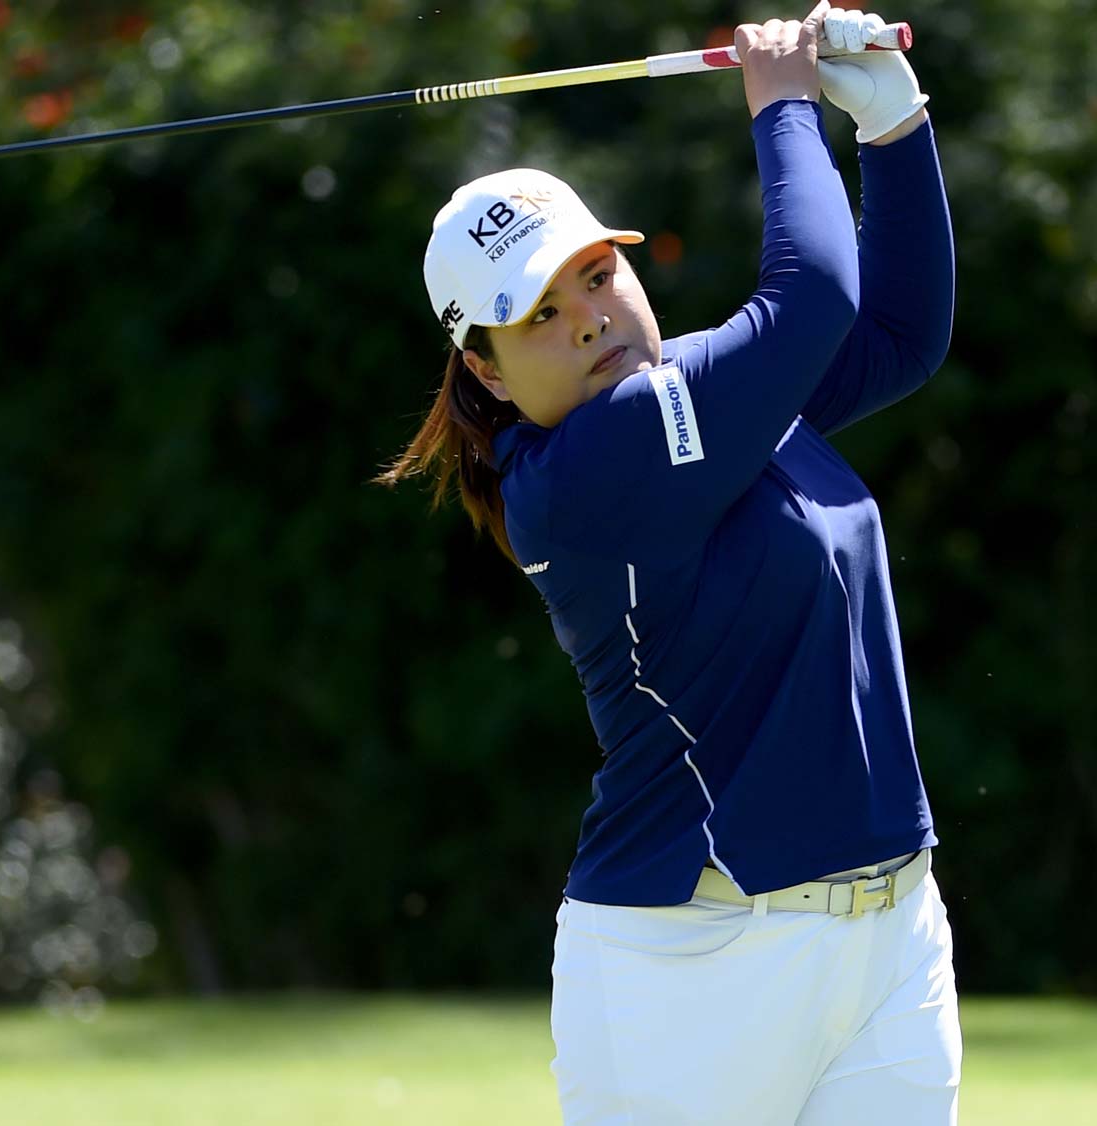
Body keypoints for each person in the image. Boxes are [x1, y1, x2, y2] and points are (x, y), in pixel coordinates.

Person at [378, 3, 959, 1121]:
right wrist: (783, 101)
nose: (588, 320)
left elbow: (892, 335)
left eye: (594, 277)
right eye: (538, 315)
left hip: (887, 936)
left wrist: (893, 125)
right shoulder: (588, 469)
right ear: (489, 374)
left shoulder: (702, 395)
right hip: (690, 967)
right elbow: (812, 300)